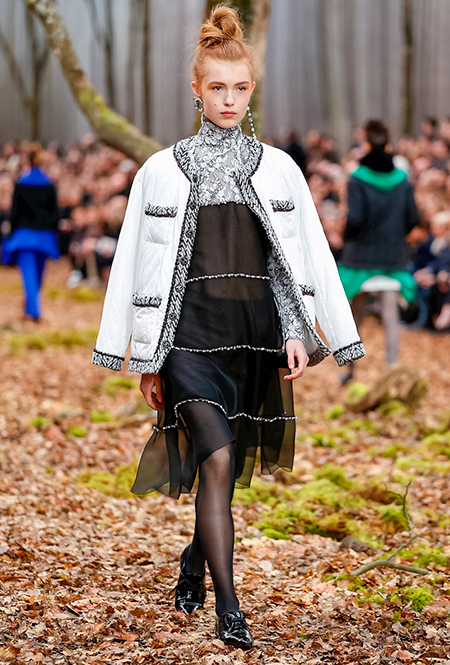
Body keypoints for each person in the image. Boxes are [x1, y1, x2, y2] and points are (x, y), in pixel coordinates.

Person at [92, 6, 365, 649]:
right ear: (196, 89)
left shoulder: (280, 169)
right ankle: (230, 608)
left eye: (240, 88)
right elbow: (132, 261)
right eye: (217, 87)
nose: (229, 99)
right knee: (215, 457)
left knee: (226, 467)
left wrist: (304, 330)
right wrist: (137, 356)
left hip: (252, 338)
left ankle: (194, 560)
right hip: (186, 338)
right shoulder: (160, 170)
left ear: (251, 89)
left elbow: (300, 257)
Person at [338, 119, 419, 382]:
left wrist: (345, 237)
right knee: (390, 313)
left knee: (355, 311)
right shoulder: (403, 180)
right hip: (393, 259)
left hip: (360, 259)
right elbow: (413, 218)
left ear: (367, 143)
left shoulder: (357, 179)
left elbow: (355, 220)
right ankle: (392, 371)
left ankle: (350, 371)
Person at [1, 146, 60, 321]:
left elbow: (14, 213)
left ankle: (32, 310)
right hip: (44, 238)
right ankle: (32, 309)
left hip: (24, 237)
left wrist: (11, 234)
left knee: (28, 275)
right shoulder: (49, 185)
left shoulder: (21, 184)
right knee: (38, 274)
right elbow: (54, 214)